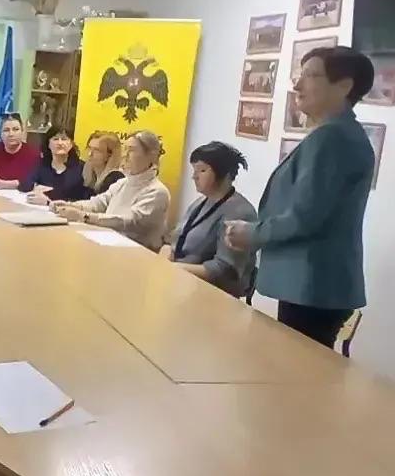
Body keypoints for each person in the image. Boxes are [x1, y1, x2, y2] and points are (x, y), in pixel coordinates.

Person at [225, 46, 376, 347]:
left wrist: (252, 234)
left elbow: (305, 217)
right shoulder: (338, 134)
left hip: (313, 285)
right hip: (314, 284)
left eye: (311, 75)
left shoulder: (332, 138)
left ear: (344, 86)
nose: (297, 85)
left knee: (297, 371)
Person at [160, 142, 258, 297]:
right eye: (194, 170)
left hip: (212, 294)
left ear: (225, 174)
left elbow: (224, 269)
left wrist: (174, 268)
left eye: (202, 170)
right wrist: (166, 251)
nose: (194, 176)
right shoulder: (200, 202)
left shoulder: (239, 213)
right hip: (182, 283)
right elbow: (174, 238)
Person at [53, 130, 171, 250]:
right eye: (125, 149)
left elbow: (128, 221)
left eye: (131, 150)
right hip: (110, 247)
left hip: (138, 254)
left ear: (151, 156)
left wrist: (84, 216)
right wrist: (68, 205)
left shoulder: (157, 192)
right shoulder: (121, 184)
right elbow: (97, 203)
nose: (125, 155)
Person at [22, 126, 87, 203]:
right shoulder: (42, 164)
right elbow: (24, 184)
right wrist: (35, 187)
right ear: (48, 144)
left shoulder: (82, 168)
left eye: (64, 139)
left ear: (71, 144)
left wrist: (48, 199)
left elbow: (83, 197)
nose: (60, 143)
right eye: (55, 139)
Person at [0, 113, 40, 189]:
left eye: (15, 129)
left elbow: (35, 181)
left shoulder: (33, 152)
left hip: (22, 195)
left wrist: (3, 184)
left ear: (22, 131)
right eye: (6, 130)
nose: (11, 134)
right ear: (0, 133)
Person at [83, 131, 125, 197]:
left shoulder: (115, 179)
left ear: (110, 155)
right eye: (89, 148)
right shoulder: (88, 173)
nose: (90, 154)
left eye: (97, 150)